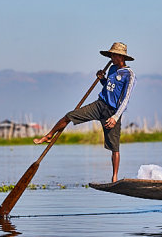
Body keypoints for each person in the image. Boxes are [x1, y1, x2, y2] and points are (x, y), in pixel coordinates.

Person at [33, 42, 136, 183]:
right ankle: (48, 135)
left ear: (120, 56)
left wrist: (115, 117)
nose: (111, 57)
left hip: (112, 112)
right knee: (69, 116)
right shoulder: (112, 69)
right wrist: (102, 79)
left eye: (113, 55)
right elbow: (109, 87)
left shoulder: (129, 74)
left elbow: (126, 99)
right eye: (111, 54)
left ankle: (114, 177)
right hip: (100, 104)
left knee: (114, 147)